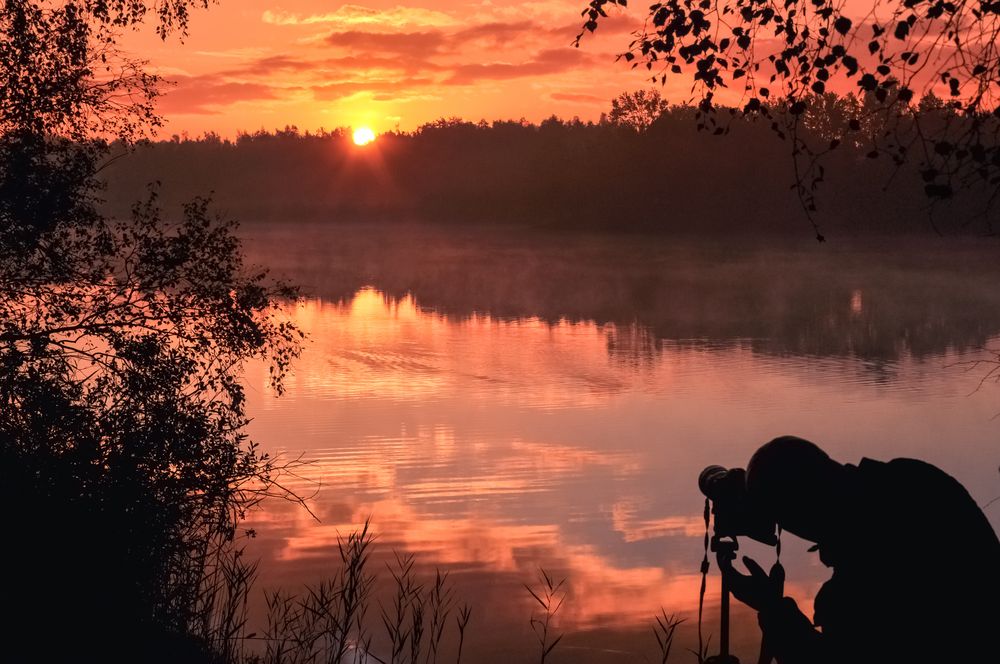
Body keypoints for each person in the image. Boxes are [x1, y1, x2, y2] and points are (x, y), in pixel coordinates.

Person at [719, 436, 1000, 664]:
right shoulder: (914, 478)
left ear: (799, 516)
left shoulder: (848, 593)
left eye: (785, 519)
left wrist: (771, 608)